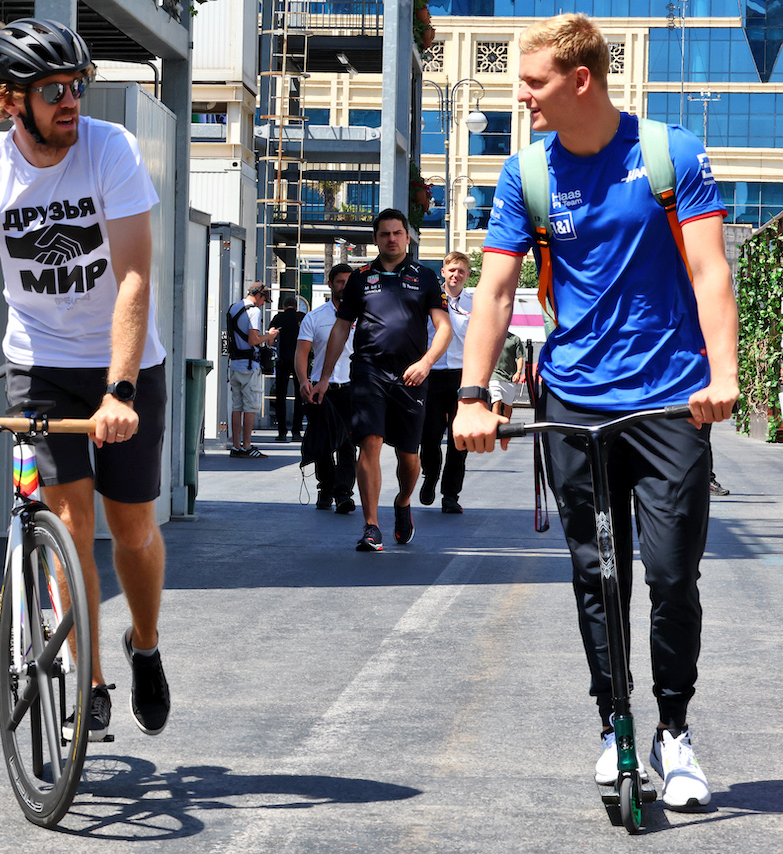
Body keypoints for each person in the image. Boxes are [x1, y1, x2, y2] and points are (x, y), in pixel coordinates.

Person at [453, 14, 738, 809]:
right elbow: (499, 288)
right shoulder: (527, 174)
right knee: (595, 574)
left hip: (670, 398)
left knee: (672, 574)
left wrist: (724, 373)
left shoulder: (668, 154)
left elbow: (710, 270)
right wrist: (475, 394)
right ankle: (614, 722)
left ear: (582, 80)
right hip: (573, 399)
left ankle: (672, 731)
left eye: (534, 81)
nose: (523, 95)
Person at [0, 19, 170, 742]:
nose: (72, 100)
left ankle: (146, 647)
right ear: (9, 100)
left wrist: (120, 392)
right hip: (39, 365)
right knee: (70, 524)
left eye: (78, 85)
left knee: (131, 526)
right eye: (53, 90)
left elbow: (133, 279)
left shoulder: (110, 150)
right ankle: (90, 675)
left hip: (126, 363)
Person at [315, 209, 451, 550]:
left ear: (407, 237)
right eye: (384, 234)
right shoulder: (360, 277)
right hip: (369, 371)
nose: (391, 238)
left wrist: (426, 363)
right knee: (370, 442)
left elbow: (444, 328)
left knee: (409, 456)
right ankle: (371, 526)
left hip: (411, 375)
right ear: (376, 239)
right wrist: (324, 377)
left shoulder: (425, 276)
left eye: (397, 233)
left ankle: (403, 503)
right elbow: (341, 328)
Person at [296, 264, 357, 513]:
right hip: (321, 390)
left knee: (347, 443)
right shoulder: (315, 317)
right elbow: (302, 352)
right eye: (339, 282)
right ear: (330, 284)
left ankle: (343, 494)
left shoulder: (362, 317)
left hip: (352, 388)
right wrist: (303, 381)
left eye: (348, 282)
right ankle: (325, 487)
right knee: (322, 442)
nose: (344, 287)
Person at [419, 251, 473, 514]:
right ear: (443, 272)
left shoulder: (474, 305)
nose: (456, 275)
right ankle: (430, 475)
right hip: (433, 375)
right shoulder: (429, 299)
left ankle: (450, 494)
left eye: (461, 271)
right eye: (451, 270)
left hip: (463, 376)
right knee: (429, 436)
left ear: (467, 275)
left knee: (459, 439)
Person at [226, 283, 279, 457]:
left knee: (237, 406)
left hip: (234, 365)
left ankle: (236, 446)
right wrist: (269, 336)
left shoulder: (233, 308)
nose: (263, 304)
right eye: (264, 299)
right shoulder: (254, 312)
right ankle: (247, 446)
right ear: (258, 295)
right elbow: (253, 340)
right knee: (250, 407)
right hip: (249, 366)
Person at [269, 294, 305, 441]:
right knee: (300, 395)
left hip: (282, 360)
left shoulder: (278, 318)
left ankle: (282, 431)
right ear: (296, 306)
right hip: (299, 360)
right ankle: (296, 431)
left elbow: (271, 341)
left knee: (281, 396)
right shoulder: (302, 317)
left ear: (284, 306)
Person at [489, 331, 526, 420]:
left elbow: (520, 357)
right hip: (494, 375)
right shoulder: (490, 337)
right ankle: (496, 426)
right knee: (496, 401)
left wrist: (518, 372)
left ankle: (506, 424)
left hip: (509, 377)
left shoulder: (514, 339)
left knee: (508, 405)